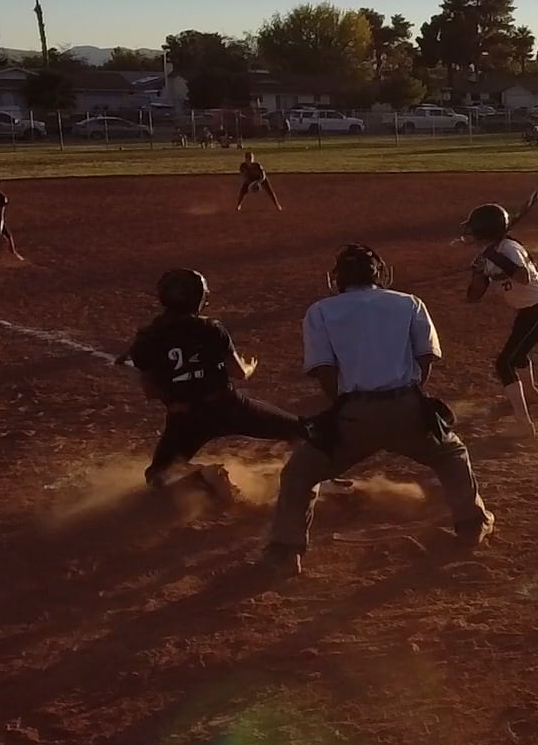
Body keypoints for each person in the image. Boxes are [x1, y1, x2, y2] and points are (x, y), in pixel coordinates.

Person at [264, 245, 493, 576]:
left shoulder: (320, 311)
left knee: (300, 473)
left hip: (354, 414)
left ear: (338, 278)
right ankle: (472, 525)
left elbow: (324, 371)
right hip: (405, 407)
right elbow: (426, 359)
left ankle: (286, 551)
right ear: (380, 274)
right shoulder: (409, 303)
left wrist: (344, 408)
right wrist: (410, 397)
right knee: (451, 455)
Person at [118, 269, 308, 495]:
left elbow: (150, 390)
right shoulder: (211, 328)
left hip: (185, 418)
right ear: (199, 298)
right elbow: (239, 373)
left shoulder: (147, 337)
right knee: (302, 432)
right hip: (228, 407)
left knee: (158, 474)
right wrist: (249, 366)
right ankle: (315, 479)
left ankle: (201, 478)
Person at [463, 202, 538, 436]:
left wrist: (496, 258)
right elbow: (473, 297)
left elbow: (523, 277)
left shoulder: (509, 248)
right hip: (528, 311)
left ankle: (524, 424)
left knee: (504, 363)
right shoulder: (489, 255)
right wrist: (478, 273)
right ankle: (531, 394)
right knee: (518, 354)